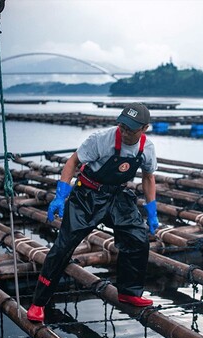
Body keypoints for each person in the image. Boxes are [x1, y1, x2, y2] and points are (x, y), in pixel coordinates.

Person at [27, 102, 159, 322]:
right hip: (87, 195)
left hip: (117, 195)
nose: (124, 132)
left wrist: (152, 211)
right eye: (122, 126)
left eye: (130, 129)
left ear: (144, 128)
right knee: (64, 246)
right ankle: (38, 303)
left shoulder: (147, 147)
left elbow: (148, 177)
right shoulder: (101, 139)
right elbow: (73, 161)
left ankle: (128, 292)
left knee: (137, 238)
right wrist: (61, 195)